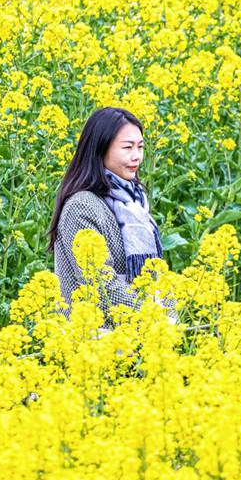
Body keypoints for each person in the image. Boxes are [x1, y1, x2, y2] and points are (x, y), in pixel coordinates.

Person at [48, 107, 170, 323]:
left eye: (140, 147)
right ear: (100, 149)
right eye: (127, 147)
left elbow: (156, 278)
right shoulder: (82, 206)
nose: (137, 157)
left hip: (138, 335)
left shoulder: (135, 203)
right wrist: (153, 319)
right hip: (94, 338)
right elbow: (101, 284)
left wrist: (173, 315)